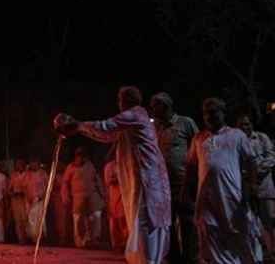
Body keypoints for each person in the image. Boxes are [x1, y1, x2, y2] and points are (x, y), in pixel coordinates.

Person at [54, 86, 171, 264]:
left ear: (125, 101)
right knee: (142, 229)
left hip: (148, 183)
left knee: (147, 227)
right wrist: (79, 129)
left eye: (119, 99)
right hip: (145, 183)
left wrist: (77, 125)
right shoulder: (131, 123)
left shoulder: (136, 114)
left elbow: (105, 127)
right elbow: (108, 135)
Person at [181, 98, 262, 263]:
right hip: (206, 200)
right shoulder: (198, 139)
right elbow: (191, 167)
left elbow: (251, 160)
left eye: (213, 112)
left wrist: (252, 185)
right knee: (209, 235)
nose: (208, 116)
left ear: (223, 113)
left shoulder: (236, 135)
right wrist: (184, 190)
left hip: (231, 198)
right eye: (205, 113)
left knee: (237, 237)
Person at [150, 92, 199, 264]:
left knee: (188, 225)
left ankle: (191, 259)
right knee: (167, 225)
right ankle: (174, 259)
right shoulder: (154, 127)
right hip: (162, 187)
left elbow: (199, 146)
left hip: (184, 184)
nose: (153, 109)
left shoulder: (185, 123)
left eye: (155, 105)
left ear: (166, 106)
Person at [236, 113, 275, 262]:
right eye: (241, 125)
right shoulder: (237, 141)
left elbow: (271, 157)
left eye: (246, 124)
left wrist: (254, 171)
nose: (244, 128)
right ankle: (258, 252)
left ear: (251, 125)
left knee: (269, 217)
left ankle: (272, 250)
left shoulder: (261, 138)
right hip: (245, 187)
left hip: (264, 185)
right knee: (250, 221)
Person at [61, 147, 105, 248]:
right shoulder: (71, 167)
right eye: (79, 157)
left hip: (91, 197)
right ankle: (80, 242)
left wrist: (102, 195)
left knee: (94, 218)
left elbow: (98, 181)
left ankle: (91, 240)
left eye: (83, 157)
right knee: (78, 220)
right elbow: (65, 183)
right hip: (77, 198)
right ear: (76, 157)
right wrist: (65, 196)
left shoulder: (90, 166)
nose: (81, 160)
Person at [104, 147, 128, 251]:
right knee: (115, 222)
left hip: (125, 196)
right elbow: (108, 180)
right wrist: (120, 179)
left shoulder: (126, 164)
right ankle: (117, 244)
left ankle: (126, 243)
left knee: (124, 220)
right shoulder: (110, 166)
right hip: (114, 195)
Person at [23, 156, 49, 242]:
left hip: (40, 199)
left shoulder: (43, 174)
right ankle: (31, 236)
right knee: (30, 218)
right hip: (29, 199)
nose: (31, 165)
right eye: (31, 163)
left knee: (39, 218)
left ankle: (39, 237)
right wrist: (28, 196)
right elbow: (23, 187)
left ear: (37, 163)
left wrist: (42, 196)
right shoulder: (28, 174)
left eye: (33, 163)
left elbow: (49, 187)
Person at [48, 160, 70, 246]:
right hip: (57, 198)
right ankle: (61, 237)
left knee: (67, 219)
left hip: (66, 198)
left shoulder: (67, 175)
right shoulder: (54, 176)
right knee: (59, 219)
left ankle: (67, 237)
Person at [8, 159, 28, 244]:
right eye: (17, 164)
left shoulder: (28, 175)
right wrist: (11, 193)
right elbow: (9, 188)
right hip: (15, 199)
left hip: (25, 199)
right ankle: (21, 238)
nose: (18, 166)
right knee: (17, 219)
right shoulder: (13, 175)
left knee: (26, 219)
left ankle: (28, 236)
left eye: (20, 164)